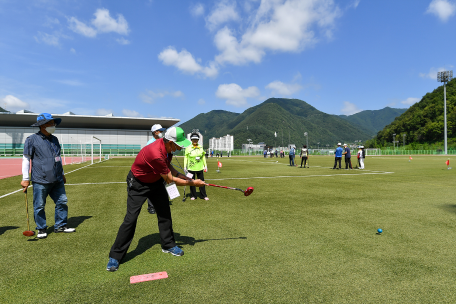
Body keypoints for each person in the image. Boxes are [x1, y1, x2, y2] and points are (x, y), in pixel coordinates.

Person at [106, 127, 206, 272]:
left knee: (164, 212)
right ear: (170, 142)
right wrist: (193, 183)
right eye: (178, 145)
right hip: (138, 184)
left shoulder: (167, 149)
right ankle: (115, 255)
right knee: (131, 218)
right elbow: (171, 180)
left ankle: (168, 244)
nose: (180, 148)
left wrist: (182, 175)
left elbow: (168, 167)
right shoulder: (155, 152)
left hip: (156, 182)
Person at [21, 113, 76, 239]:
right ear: (42, 125)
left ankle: (61, 225)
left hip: (57, 178)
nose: (53, 125)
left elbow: (58, 158)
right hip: (40, 179)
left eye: (53, 123)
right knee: (39, 205)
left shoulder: (55, 139)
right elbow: (26, 159)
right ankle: (41, 228)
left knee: (62, 202)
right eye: (51, 123)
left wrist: (62, 173)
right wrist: (25, 178)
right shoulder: (31, 139)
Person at [145, 124, 167, 214]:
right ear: (155, 132)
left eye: (162, 131)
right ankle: (151, 207)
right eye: (160, 131)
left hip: (163, 168)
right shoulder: (150, 142)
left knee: (162, 187)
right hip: (153, 170)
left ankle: (160, 204)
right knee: (152, 188)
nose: (162, 132)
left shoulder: (163, 141)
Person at [184, 132, 208, 201]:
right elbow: (186, 157)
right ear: (191, 140)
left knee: (202, 182)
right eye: (193, 139)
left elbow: (203, 156)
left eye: (196, 139)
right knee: (191, 182)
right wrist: (185, 166)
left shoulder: (200, 147)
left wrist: (205, 165)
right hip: (191, 168)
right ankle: (193, 195)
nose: (195, 140)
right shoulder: (188, 148)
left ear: (198, 140)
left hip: (200, 167)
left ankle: (203, 195)